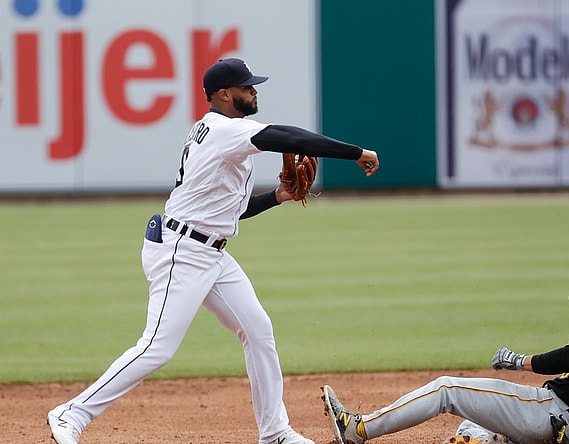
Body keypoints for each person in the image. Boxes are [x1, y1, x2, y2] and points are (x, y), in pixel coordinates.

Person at [47, 57, 380, 444]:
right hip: (183, 252)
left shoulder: (217, 132)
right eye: (246, 86)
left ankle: (274, 432)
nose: (254, 91)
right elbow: (287, 137)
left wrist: (278, 195)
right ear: (224, 95)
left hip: (210, 252)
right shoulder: (225, 130)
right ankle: (71, 413)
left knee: (257, 331)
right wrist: (355, 152)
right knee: (157, 347)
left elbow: (233, 212)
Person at [323, 267, 569, 444]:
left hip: (548, 415)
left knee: (446, 389)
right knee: (472, 424)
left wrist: (519, 361)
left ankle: (358, 429)